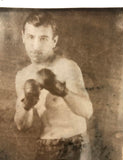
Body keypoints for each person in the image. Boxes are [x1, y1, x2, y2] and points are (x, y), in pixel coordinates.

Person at [14, 11, 93, 160]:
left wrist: (61, 90)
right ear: (23, 36)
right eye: (31, 37)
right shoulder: (22, 76)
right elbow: (22, 126)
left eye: (43, 38)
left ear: (54, 41)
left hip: (75, 145)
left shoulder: (68, 67)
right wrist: (27, 104)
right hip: (45, 147)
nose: (36, 46)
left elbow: (88, 111)